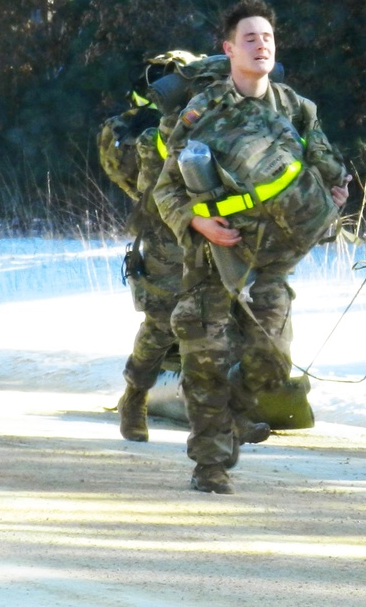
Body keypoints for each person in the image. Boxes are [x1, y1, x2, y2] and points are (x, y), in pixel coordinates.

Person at [154, 0, 350, 494]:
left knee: (272, 366)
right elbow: (166, 190)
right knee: (206, 363)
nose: (260, 45)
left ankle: (230, 421)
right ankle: (211, 464)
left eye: (267, 38)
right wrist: (200, 223)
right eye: (249, 38)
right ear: (228, 48)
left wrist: (334, 191)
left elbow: (328, 165)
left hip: (271, 262)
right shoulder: (202, 113)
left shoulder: (295, 109)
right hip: (215, 260)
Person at [114, 117, 270, 448]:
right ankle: (135, 397)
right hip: (169, 242)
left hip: (223, 236)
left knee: (226, 323)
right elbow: (154, 196)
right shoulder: (155, 136)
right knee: (162, 324)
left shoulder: (237, 126)